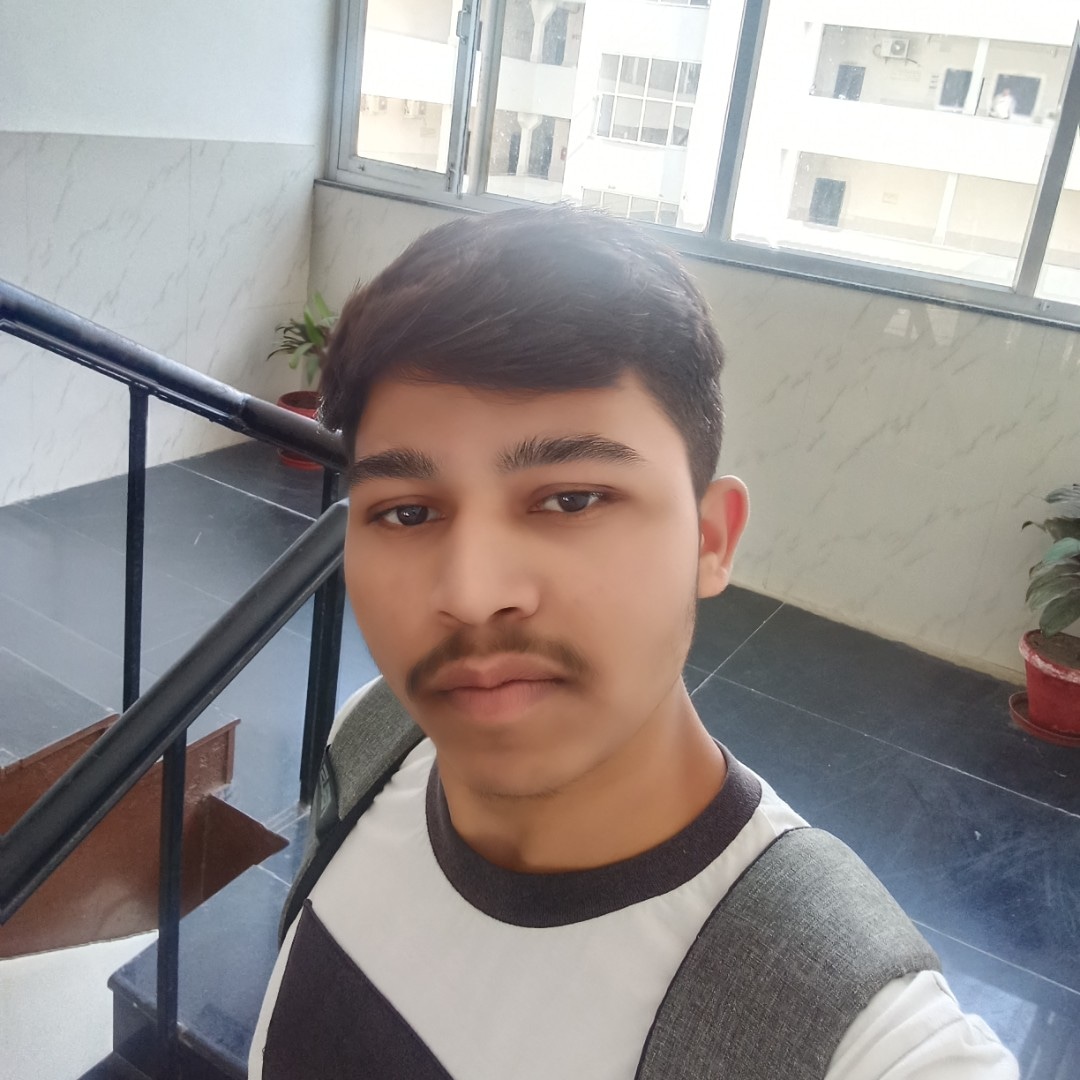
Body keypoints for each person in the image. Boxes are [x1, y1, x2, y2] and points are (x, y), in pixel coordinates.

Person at [249, 206, 1016, 1079]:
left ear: (712, 539)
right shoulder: (374, 738)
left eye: (572, 500)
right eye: (408, 512)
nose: (471, 594)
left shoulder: (854, 1036)